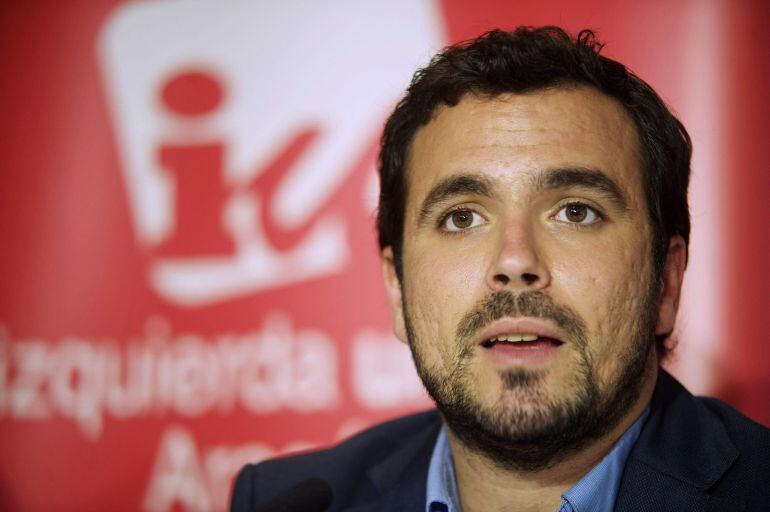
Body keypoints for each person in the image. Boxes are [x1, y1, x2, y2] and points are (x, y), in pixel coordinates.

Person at [231, 26, 770, 512]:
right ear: (396, 288)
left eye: (575, 212)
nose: (515, 262)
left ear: (666, 282)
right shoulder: (288, 500)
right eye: (461, 217)